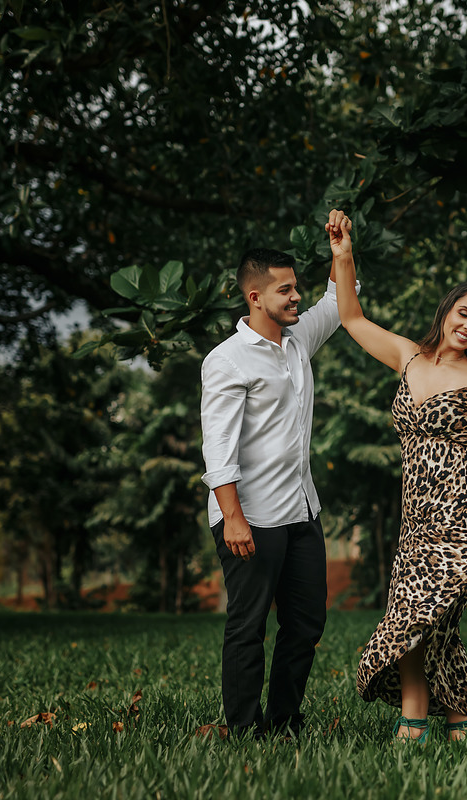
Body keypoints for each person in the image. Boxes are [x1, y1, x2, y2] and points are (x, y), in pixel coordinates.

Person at [323, 208, 467, 742]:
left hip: (461, 512)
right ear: (446, 312)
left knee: (425, 615)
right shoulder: (408, 358)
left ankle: (425, 717)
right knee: (422, 618)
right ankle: (440, 718)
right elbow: (351, 318)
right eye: (463, 313)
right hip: (415, 518)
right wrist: (344, 255)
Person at [199, 225, 356, 740]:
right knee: (248, 627)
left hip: (301, 513)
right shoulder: (226, 360)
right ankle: (243, 729)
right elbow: (218, 449)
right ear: (255, 296)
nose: (297, 296)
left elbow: (338, 301)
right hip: (251, 518)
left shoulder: (297, 342)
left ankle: (285, 722)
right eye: (285, 290)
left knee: (306, 624)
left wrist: (342, 252)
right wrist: (234, 519)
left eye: (296, 288)